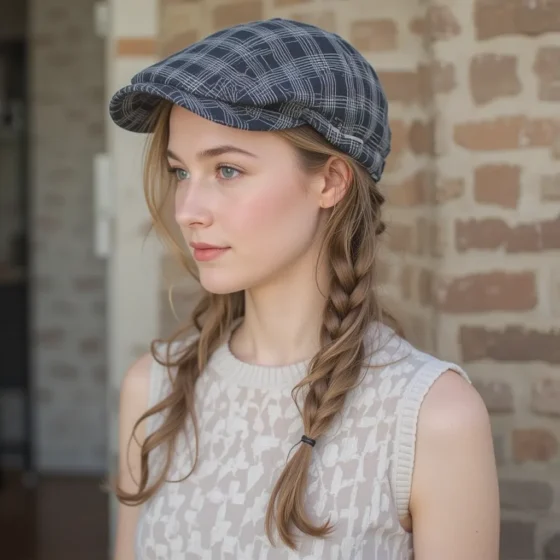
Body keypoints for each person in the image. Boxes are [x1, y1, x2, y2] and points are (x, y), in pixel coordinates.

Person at [108, 18, 500, 560]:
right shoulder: (154, 391)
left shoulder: (432, 418)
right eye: (180, 172)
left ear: (330, 181)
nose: (187, 211)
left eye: (226, 169)